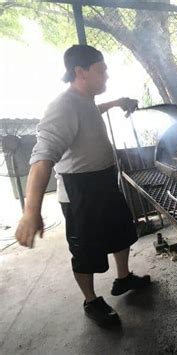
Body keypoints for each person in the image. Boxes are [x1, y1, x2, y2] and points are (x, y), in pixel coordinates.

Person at [15, 44, 150, 328]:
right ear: (80, 72)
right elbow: (42, 158)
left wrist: (115, 103)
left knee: (120, 231)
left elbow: (91, 111)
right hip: (80, 192)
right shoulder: (62, 107)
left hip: (104, 181)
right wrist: (31, 211)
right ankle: (91, 301)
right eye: (101, 70)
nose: (107, 76)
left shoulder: (84, 98)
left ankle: (123, 278)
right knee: (86, 250)